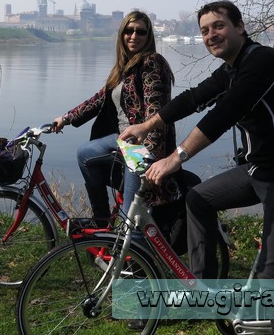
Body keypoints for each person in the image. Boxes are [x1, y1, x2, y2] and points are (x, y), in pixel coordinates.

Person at [119, 0, 274, 335]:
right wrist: (148, 124)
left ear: (240, 27)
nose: (210, 35)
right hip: (260, 171)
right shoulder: (231, 68)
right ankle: (204, 291)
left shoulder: (263, 62)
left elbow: (225, 113)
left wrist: (175, 158)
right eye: (204, 30)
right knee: (198, 198)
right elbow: (195, 97)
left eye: (218, 26)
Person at [53, 11, 181, 225]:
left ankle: (135, 254)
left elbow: (156, 113)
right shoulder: (124, 67)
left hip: (139, 146)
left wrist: (149, 157)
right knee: (85, 154)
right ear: (122, 34)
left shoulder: (152, 63)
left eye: (141, 31)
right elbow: (98, 99)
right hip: (122, 138)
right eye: (129, 31)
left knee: (130, 216)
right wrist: (66, 118)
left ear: (148, 36)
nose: (134, 36)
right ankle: (101, 219)